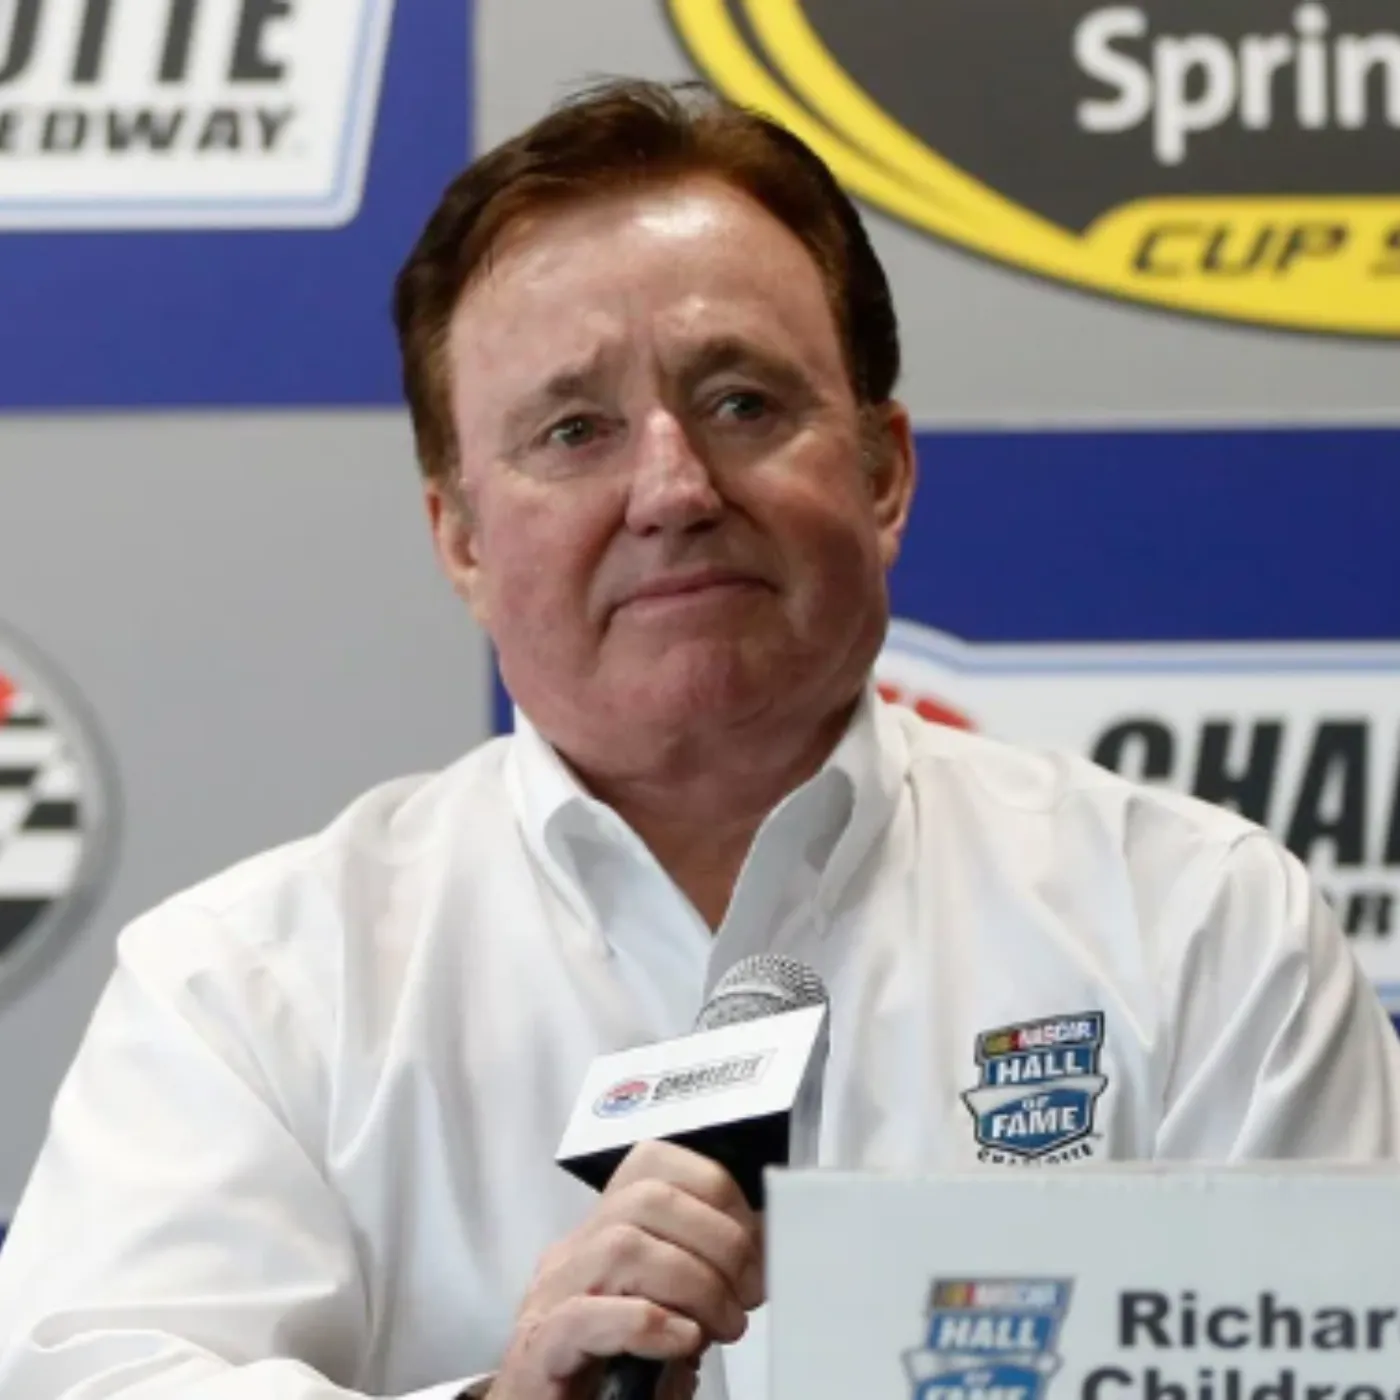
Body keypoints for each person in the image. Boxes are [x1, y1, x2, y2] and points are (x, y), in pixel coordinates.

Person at [0, 77, 1397, 1400]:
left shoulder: (1199, 929)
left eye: (742, 403)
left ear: (885, 474)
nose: (672, 487)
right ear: (461, 539)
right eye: (574, 431)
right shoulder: (250, 989)